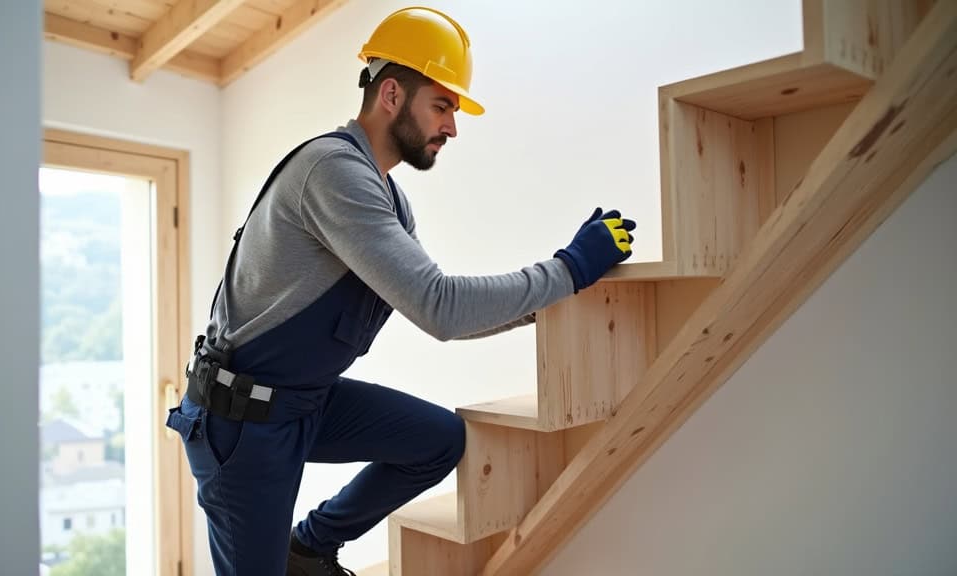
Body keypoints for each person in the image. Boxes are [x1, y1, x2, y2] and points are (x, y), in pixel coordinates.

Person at [165, 6, 635, 576]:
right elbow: (443, 307)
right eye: (442, 105)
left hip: (304, 400)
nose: (452, 126)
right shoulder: (333, 172)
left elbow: (435, 308)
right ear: (391, 94)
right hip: (241, 421)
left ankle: (309, 545)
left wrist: (555, 295)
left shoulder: (388, 195)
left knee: (438, 440)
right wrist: (567, 270)